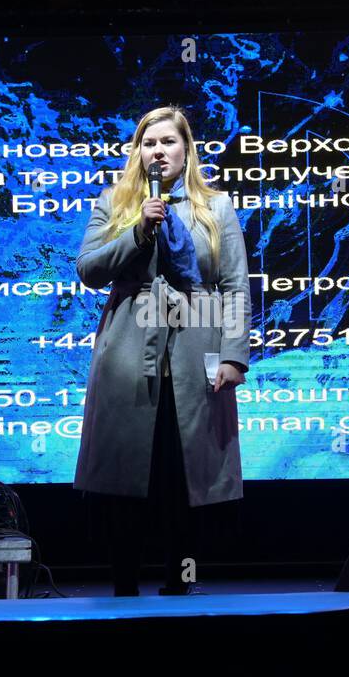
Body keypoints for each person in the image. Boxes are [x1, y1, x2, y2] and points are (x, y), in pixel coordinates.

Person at [73, 106, 252, 596]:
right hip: (130, 349)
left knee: (185, 476)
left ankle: (180, 583)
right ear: (139, 153)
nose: (159, 152)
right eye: (149, 144)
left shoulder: (215, 206)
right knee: (127, 474)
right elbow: (89, 270)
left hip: (196, 349)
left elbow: (235, 284)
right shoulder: (115, 202)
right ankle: (124, 586)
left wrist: (235, 354)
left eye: (168, 142)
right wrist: (137, 231)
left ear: (186, 149)